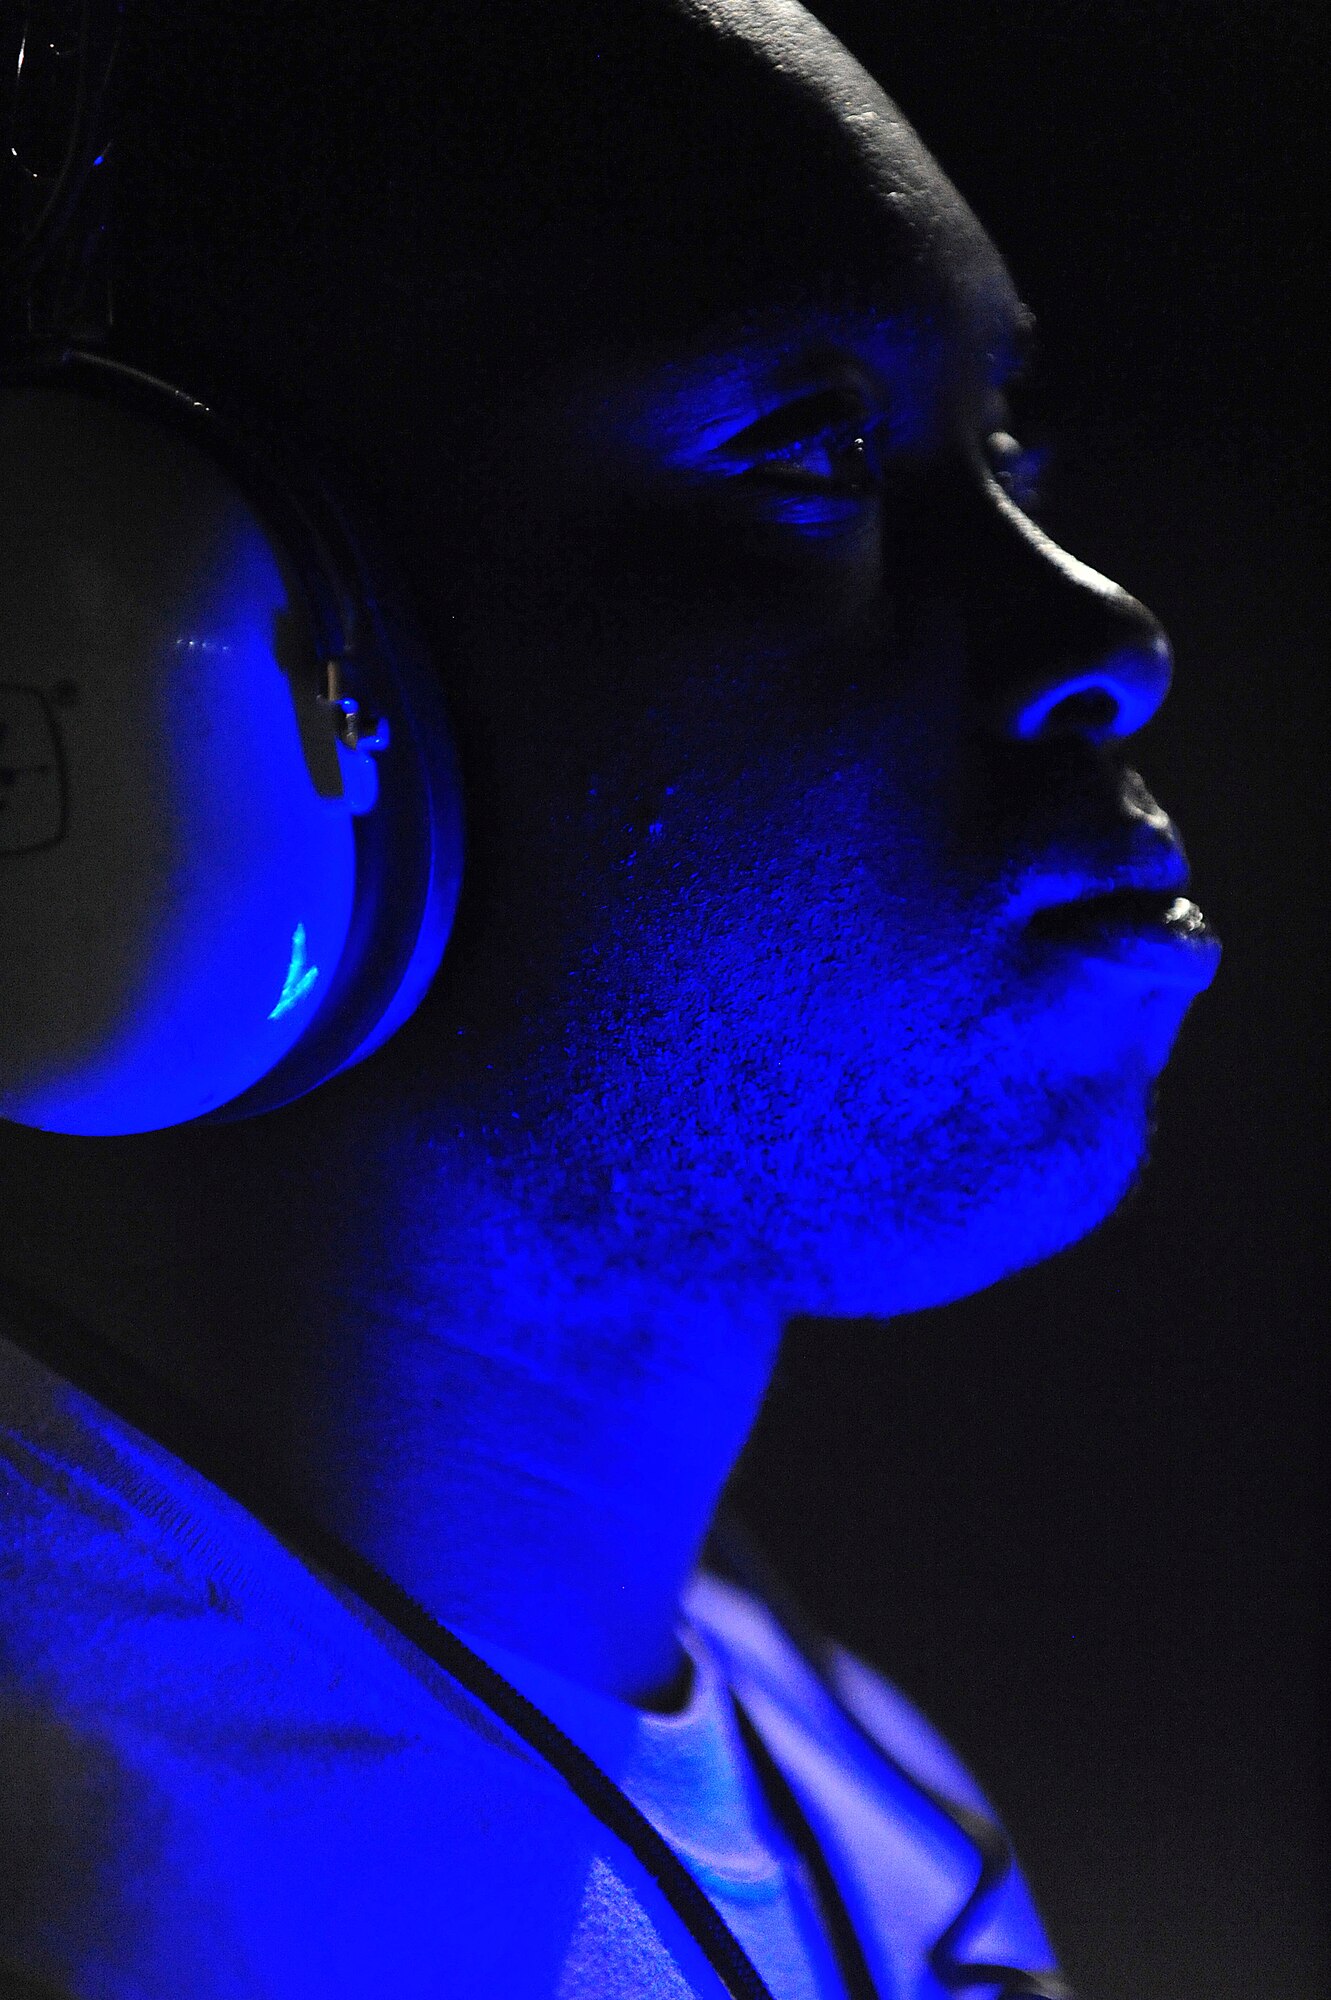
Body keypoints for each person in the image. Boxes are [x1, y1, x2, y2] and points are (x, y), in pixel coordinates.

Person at [0, 0, 1220, 1993]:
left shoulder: (844, 1788)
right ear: (149, 640)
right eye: (810, 450)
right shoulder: (88, 1898)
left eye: (1005, 448)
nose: (1110, 634)